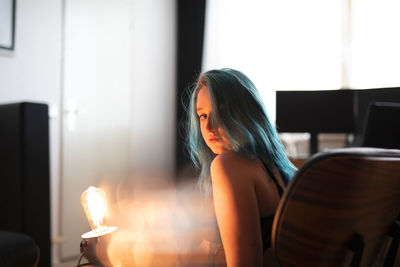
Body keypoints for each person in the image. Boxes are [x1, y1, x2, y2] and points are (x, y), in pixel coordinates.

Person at [186, 68, 296, 266]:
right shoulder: (276, 167)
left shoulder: (227, 165)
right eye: (202, 116)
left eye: (220, 112)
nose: (209, 126)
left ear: (245, 113)